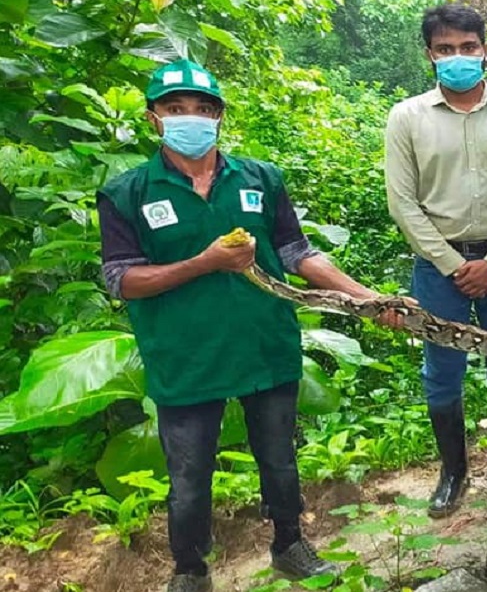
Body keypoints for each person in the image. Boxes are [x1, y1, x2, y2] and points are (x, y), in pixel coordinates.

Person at [98, 59, 400, 592]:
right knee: (189, 479)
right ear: (154, 118)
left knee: (280, 460)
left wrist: (369, 298)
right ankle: (191, 570)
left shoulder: (260, 177)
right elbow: (122, 279)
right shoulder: (128, 193)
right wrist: (204, 262)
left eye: (203, 108)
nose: (191, 118)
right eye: (176, 108)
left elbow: (297, 252)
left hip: (265, 346)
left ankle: (290, 545)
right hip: (186, 356)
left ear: (219, 117)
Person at [384, 3, 487, 517]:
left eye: (468, 47)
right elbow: (403, 203)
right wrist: (454, 265)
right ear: (430, 55)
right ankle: (453, 476)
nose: (458, 57)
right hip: (438, 268)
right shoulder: (407, 117)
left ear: (484, 49)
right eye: (446, 49)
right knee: (442, 372)